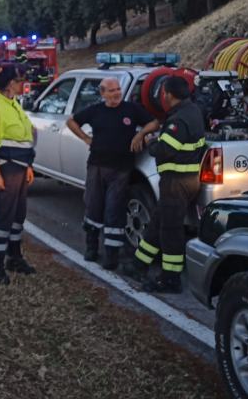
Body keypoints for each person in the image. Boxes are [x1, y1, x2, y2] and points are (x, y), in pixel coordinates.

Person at [66, 77, 159, 270]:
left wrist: (140, 134)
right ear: (102, 93)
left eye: (118, 89)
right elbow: (71, 122)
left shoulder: (131, 109)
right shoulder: (95, 110)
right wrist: (85, 138)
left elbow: (154, 123)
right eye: (111, 90)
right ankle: (91, 249)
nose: (116, 93)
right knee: (93, 208)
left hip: (122, 169)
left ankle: (112, 257)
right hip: (97, 167)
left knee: (114, 211)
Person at [127, 76, 206, 293]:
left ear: (169, 95)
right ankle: (139, 264)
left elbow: (164, 150)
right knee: (158, 222)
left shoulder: (177, 120)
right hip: (186, 181)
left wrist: (152, 142)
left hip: (176, 182)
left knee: (170, 230)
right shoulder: (194, 111)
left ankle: (170, 279)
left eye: (163, 93)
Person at [0, 63, 36, 284]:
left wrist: (28, 166)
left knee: (17, 216)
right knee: (3, 216)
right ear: (11, 83)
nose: (24, 84)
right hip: (6, 168)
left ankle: (14, 257)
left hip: (20, 168)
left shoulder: (13, 104)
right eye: (20, 80)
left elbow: (23, 138)